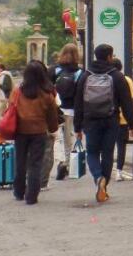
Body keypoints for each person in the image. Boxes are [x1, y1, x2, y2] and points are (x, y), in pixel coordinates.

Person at [73, 44, 133, 204]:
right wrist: (132, 123)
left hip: (90, 120)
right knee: (107, 153)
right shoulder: (117, 76)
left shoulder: (85, 76)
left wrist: (77, 127)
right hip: (110, 120)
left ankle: (98, 177)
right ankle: (104, 186)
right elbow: (127, 102)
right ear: (109, 56)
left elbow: (78, 103)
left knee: (92, 152)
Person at [9, 60, 59, 205]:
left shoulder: (18, 91)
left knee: (20, 161)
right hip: (39, 132)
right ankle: (31, 196)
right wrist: (53, 128)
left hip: (20, 131)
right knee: (35, 164)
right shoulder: (47, 94)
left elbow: (10, 107)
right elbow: (52, 115)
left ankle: (19, 191)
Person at [51, 43, 83, 181]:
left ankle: (60, 162)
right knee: (70, 138)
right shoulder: (80, 72)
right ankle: (68, 163)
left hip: (56, 110)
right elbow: (81, 95)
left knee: (58, 138)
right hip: (72, 110)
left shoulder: (54, 70)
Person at [112, 60, 133, 182]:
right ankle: (118, 172)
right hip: (123, 119)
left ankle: (104, 170)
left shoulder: (106, 79)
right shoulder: (126, 80)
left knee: (108, 146)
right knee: (121, 146)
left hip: (108, 117)